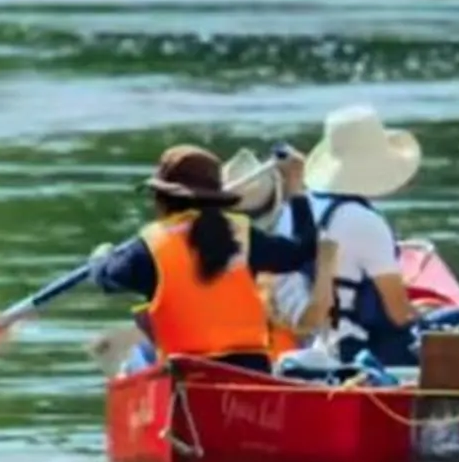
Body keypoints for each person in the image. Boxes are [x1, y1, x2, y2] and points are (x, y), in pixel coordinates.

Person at [94, 145, 320, 371]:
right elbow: (302, 250)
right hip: (249, 370)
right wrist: (296, 192)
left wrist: (101, 258)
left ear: (161, 200)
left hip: (187, 375)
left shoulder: (148, 247)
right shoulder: (243, 233)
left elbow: (107, 279)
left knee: (135, 362)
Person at [266, 103, 424, 368]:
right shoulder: (366, 222)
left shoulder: (296, 209)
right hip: (356, 352)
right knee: (455, 321)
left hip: (306, 342)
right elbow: (399, 314)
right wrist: (426, 316)